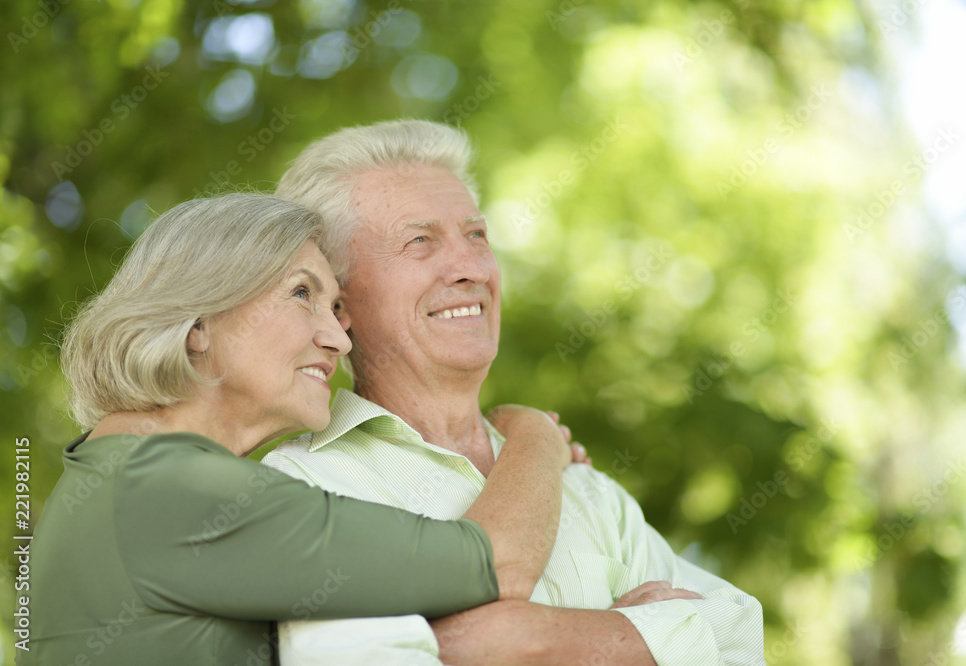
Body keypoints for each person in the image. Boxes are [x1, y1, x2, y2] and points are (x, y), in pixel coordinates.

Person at [263, 120, 766, 665]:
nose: (471, 267)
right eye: (420, 241)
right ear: (338, 304)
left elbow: (738, 635)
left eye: (476, 235)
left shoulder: (590, 493)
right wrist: (644, 636)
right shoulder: (303, 491)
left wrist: (529, 639)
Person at [23, 193, 579, 666]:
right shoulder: (170, 487)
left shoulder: (119, 470)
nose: (338, 339)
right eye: (301, 294)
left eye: (336, 307)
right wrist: (534, 433)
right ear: (197, 324)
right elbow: (493, 562)